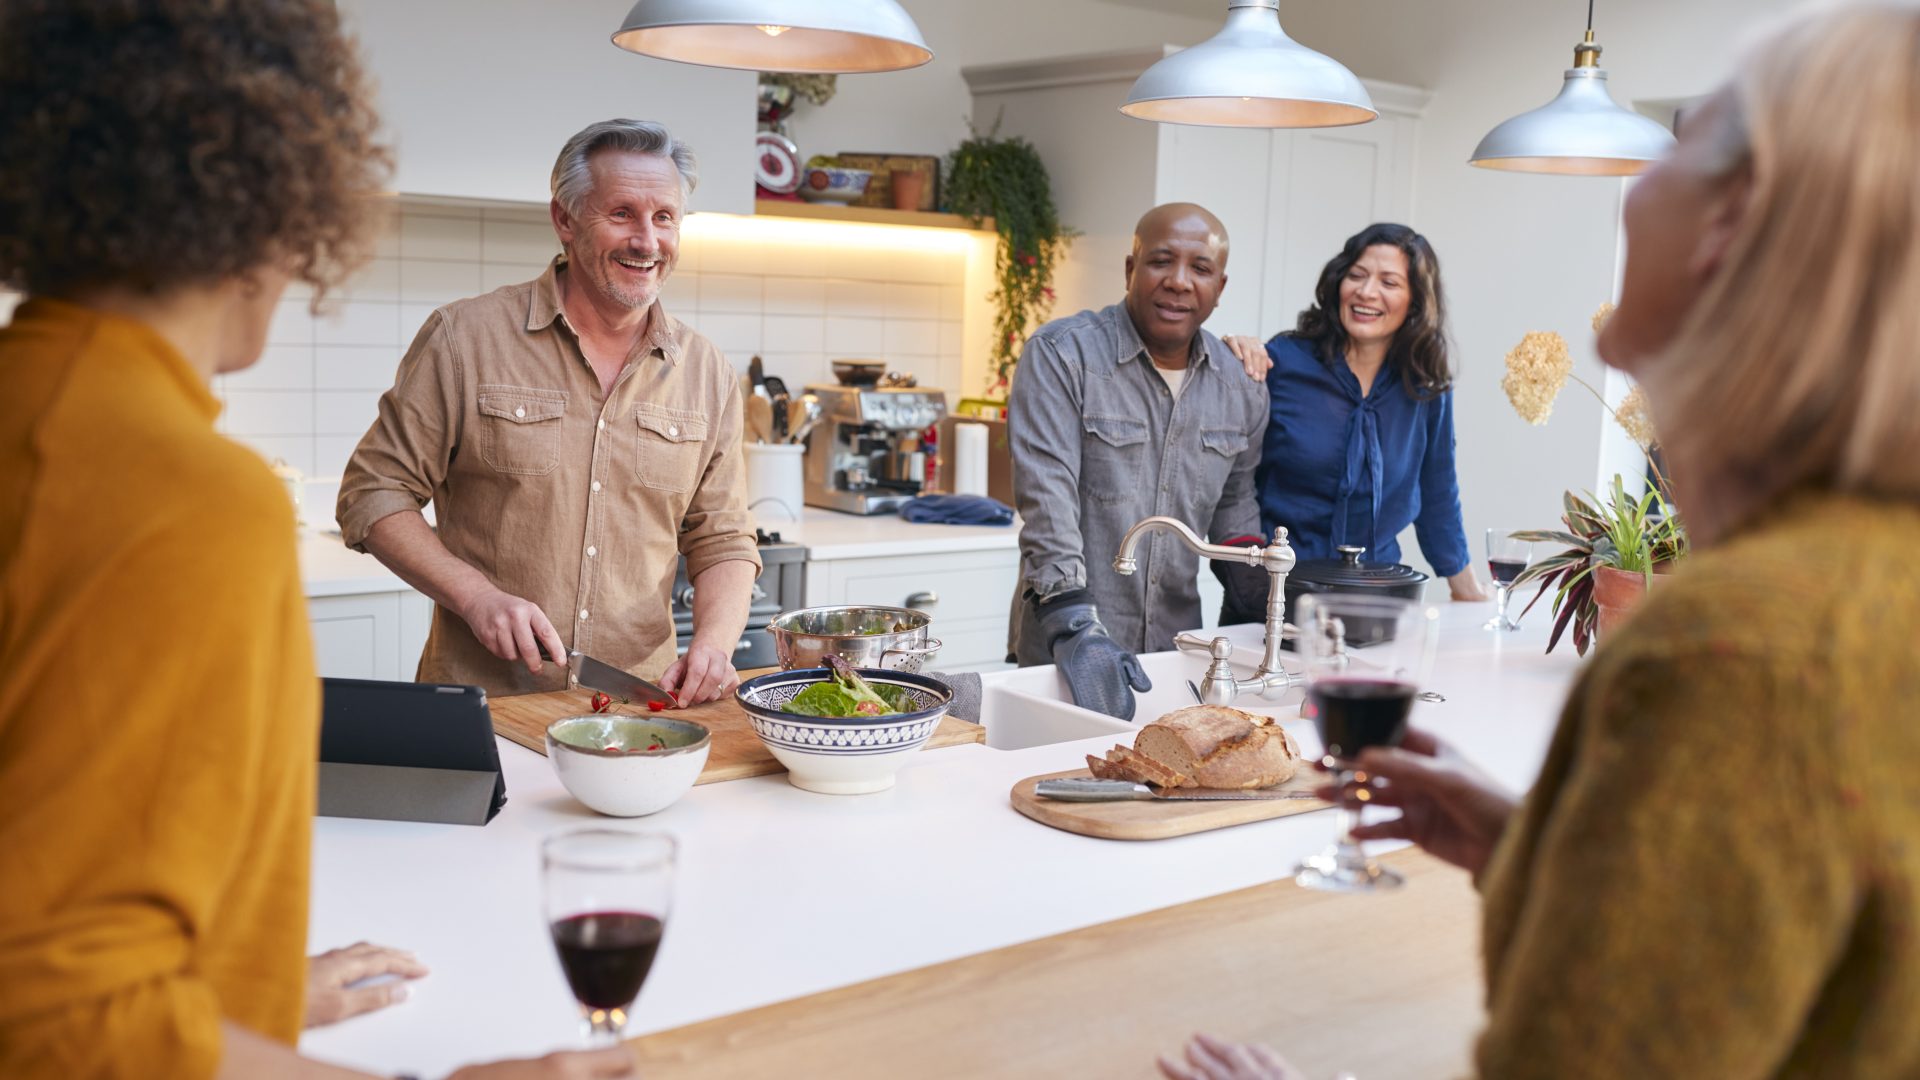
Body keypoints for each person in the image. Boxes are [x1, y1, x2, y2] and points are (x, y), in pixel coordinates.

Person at [1164, 2, 1920, 1076]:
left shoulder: (1739, 648)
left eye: (1686, 140)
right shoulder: (1870, 581)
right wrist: (1529, 857)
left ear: (1729, 236)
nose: (1635, 169)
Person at [0, 2, 633, 1076]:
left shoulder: (34, 411)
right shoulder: (185, 500)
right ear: (271, 201)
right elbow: (65, 1026)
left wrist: (235, 996)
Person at [337, 119, 759, 705]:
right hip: (483, 703)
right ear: (565, 219)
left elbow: (724, 538)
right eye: (622, 214)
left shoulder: (706, 372)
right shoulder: (465, 338)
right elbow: (373, 493)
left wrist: (715, 644)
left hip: (640, 707)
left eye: (664, 217)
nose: (646, 240)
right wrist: (475, 596)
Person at [1007, 203, 1268, 721]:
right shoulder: (1063, 355)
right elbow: (1047, 500)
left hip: (1177, 656)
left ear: (1220, 287)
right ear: (1131, 269)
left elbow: (1235, 508)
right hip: (1063, 650)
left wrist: (1271, 611)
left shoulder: (1242, 387)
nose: (1178, 282)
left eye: (1200, 269)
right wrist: (1074, 625)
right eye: (1160, 261)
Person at [1222, 224, 1488, 616]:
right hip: (1274, 599)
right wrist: (1228, 352)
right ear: (1338, 282)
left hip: (1376, 604)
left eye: (1389, 282)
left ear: (1415, 300)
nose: (1367, 292)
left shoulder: (1426, 387)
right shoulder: (1282, 362)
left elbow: (1437, 492)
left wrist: (1465, 589)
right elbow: (1233, 482)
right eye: (1357, 275)